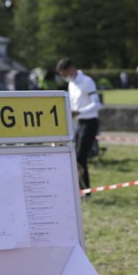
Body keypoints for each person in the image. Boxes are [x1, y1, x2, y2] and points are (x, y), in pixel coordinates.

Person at [57, 58, 101, 194]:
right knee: (75, 157)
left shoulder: (87, 82)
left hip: (90, 122)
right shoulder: (71, 84)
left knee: (80, 158)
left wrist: (79, 112)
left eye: (64, 74)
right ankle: (80, 190)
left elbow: (97, 104)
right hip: (79, 123)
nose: (63, 77)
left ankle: (85, 192)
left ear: (71, 69)